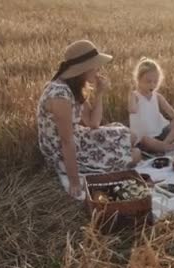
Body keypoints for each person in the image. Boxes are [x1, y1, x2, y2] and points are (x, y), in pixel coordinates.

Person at [37, 39, 141, 198]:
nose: (98, 69)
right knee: (135, 155)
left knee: (132, 136)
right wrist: (74, 181)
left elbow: (93, 123)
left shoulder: (72, 87)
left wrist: (99, 94)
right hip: (61, 151)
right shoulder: (59, 96)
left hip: (78, 137)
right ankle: (97, 166)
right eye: (95, 65)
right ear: (83, 69)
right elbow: (66, 141)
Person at [128, 58, 174, 153]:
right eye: (148, 82)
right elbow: (132, 110)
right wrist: (130, 95)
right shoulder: (135, 96)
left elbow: (171, 113)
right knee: (145, 140)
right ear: (138, 80)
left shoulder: (157, 96)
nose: (152, 85)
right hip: (146, 137)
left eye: (155, 82)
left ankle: (165, 145)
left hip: (161, 132)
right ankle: (171, 147)